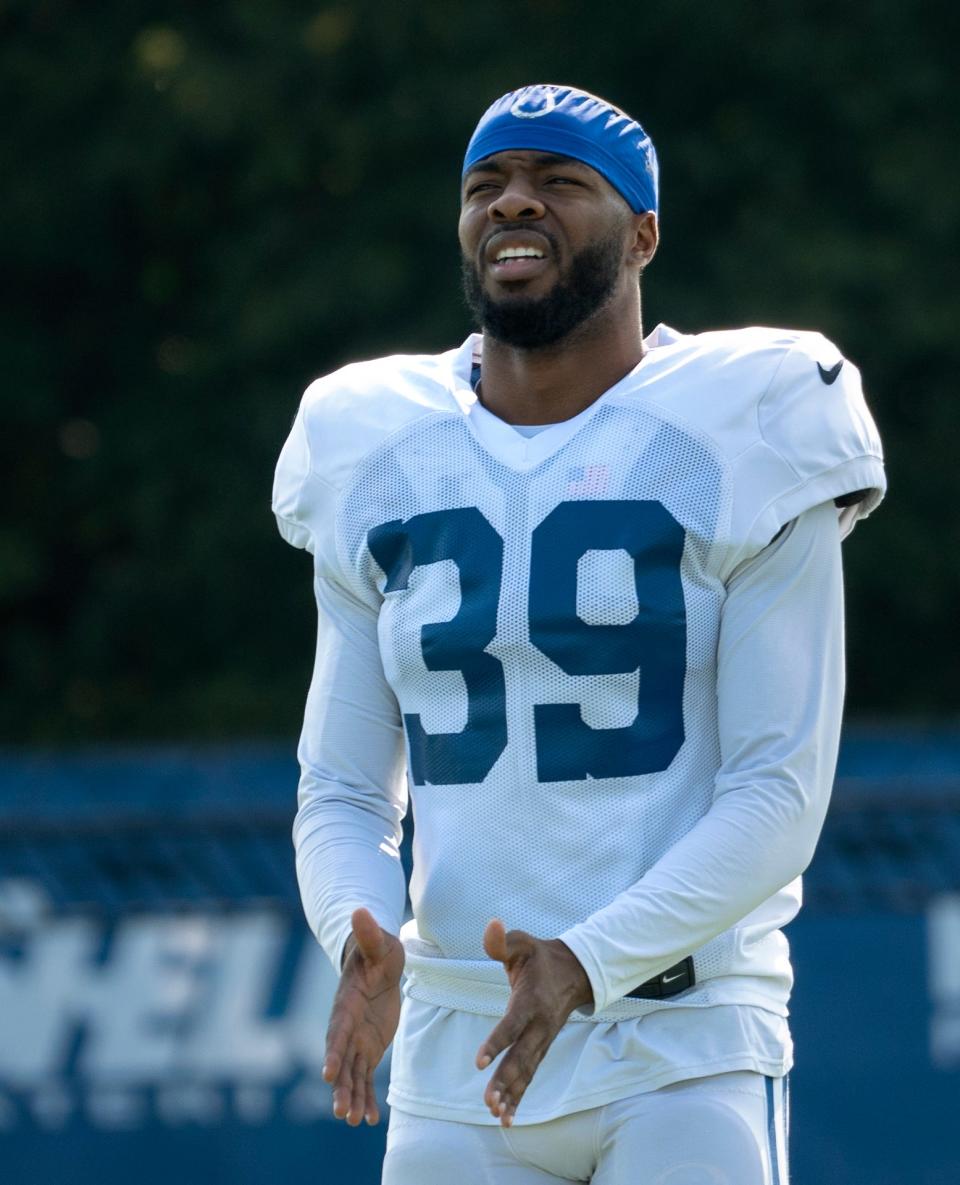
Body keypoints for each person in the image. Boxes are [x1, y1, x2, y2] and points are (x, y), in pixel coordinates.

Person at [273, 84, 885, 1184]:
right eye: (487, 185)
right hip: (462, 1049)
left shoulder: (749, 416)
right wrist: (355, 926)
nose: (516, 203)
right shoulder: (373, 442)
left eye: (560, 182)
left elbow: (776, 793)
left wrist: (587, 962)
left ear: (643, 232)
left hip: (682, 1040)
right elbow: (346, 792)